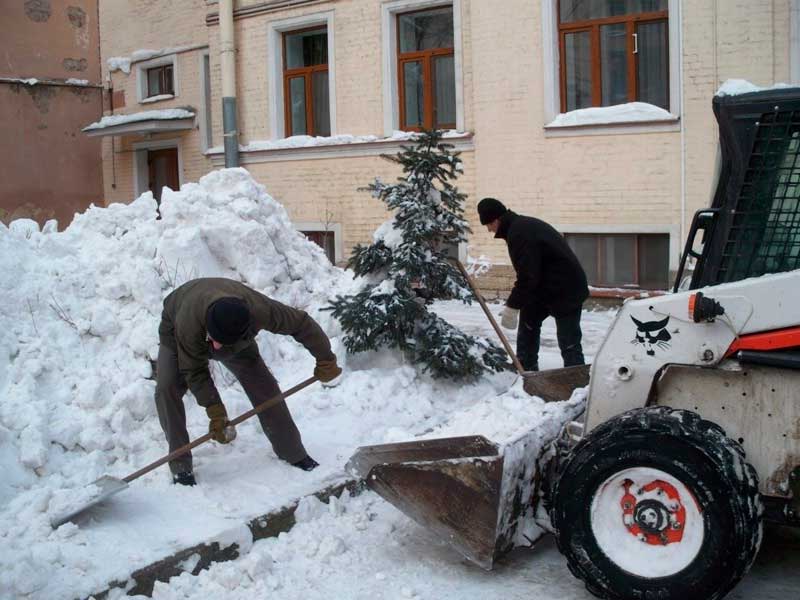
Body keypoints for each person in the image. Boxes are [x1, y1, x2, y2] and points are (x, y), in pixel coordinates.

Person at [155, 277, 342, 485]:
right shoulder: (188, 324)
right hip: (177, 327)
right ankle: (180, 466)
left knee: (264, 386)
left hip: (235, 337)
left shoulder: (259, 310)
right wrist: (216, 412)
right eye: (214, 340)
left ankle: (293, 452)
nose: (216, 349)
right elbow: (195, 371)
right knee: (167, 387)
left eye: (221, 343)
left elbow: (301, 323)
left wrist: (325, 358)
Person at [477, 198, 589, 372]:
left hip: (566, 288)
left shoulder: (520, 232)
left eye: (488, 225)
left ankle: (576, 378)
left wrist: (512, 306)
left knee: (569, 340)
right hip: (546, 287)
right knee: (529, 320)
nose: (489, 230)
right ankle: (526, 367)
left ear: (495, 220)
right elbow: (532, 273)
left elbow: (528, 276)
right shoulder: (520, 226)